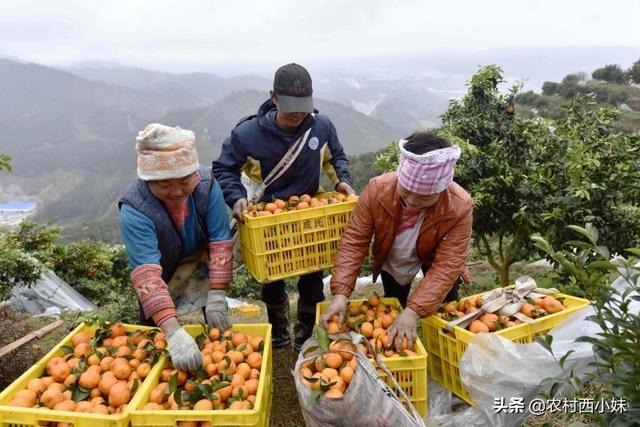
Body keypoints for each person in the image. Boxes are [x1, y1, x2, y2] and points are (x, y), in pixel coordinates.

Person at [212, 63, 354, 350]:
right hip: (268, 218)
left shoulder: (321, 126)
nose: (298, 113)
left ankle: (304, 335)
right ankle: (278, 336)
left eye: (303, 106)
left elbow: (335, 157)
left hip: (309, 213)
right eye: (291, 106)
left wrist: (342, 181)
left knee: (313, 278)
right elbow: (224, 169)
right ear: (273, 97)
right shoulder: (247, 134)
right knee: (272, 280)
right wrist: (236, 196)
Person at [320, 132, 473, 351]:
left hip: (435, 255)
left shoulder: (459, 206)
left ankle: (442, 348)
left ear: (441, 189)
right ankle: (396, 341)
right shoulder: (377, 190)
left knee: (445, 306)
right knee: (394, 302)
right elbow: (355, 240)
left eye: (423, 197)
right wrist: (341, 293)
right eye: (407, 192)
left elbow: (447, 265)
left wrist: (413, 312)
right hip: (394, 255)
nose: (411, 201)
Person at [119, 123, 233, 372]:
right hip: (163, 267)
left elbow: (220, 239)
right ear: (147, 179)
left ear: (194, 173)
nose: (176, 191)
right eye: (164, 184)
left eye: (184, 181)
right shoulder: (135, 208)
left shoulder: (206, 184)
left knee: (213, 314)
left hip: (201, 258)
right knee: (156, 327)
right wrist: (172, 331)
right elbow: (147, 274)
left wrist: (217, 294)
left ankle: (218, 356)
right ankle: (158, 368)